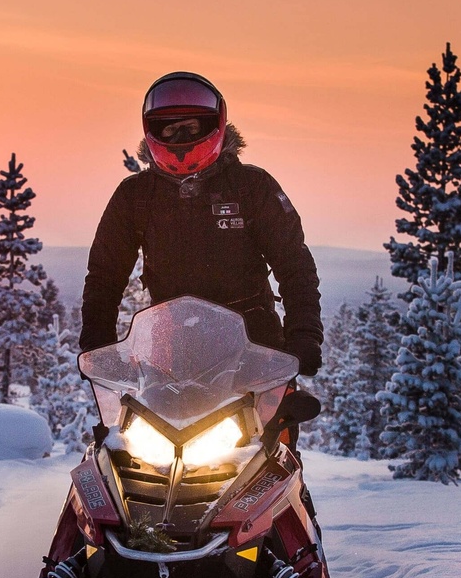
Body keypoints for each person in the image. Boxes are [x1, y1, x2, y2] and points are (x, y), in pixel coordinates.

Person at [78, 71, 323, 375]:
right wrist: (96, 345)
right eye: (170, 130)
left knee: (277, 420)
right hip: (169, 357)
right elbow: (105, 275)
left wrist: (304, 336)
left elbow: (294, 265)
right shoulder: (136, 196)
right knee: (134, 422)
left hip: (254, 352)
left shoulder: (251, 187)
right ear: (153, 130)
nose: (181, 138)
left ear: (213, 125)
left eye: (191, 127)